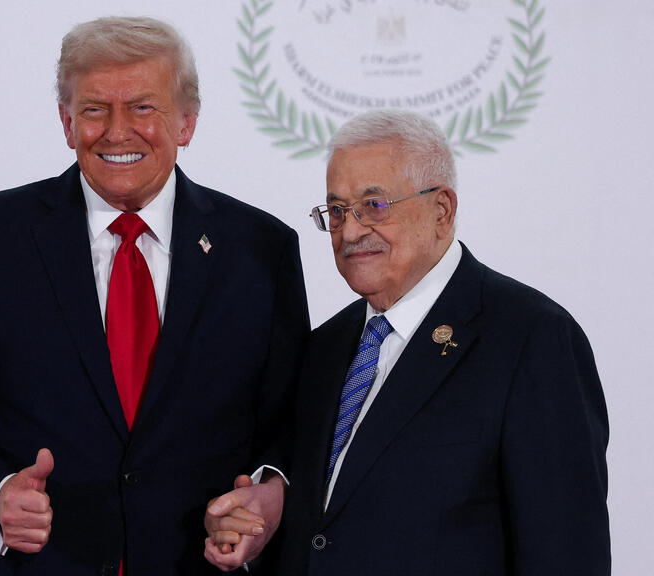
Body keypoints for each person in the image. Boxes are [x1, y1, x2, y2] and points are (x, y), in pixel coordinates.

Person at [0, 15, 309, 576]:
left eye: (142, 107)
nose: (116, 131)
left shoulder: (262, 248)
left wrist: (269, 491)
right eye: (93, 110)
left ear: (186, 121)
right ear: (67, 123)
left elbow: (291, 424)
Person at [205, 109, 610, 575]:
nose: (350, 231)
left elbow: (566, 552)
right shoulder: (324, 348)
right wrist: (268, 504)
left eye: (374, 205)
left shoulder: (533, 339)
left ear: (442, 211)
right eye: (337, 211)